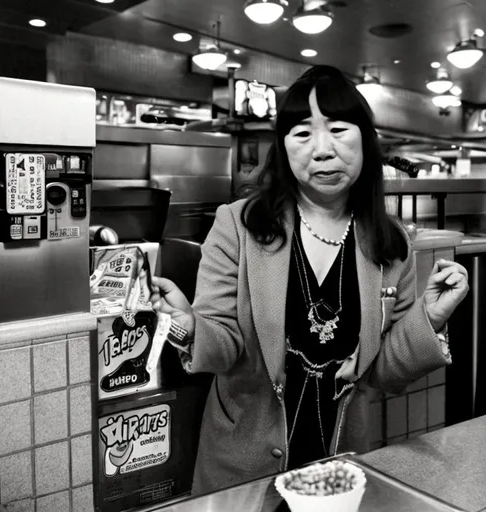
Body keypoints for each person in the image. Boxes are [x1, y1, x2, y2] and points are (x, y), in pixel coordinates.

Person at [151, 65, 469, 496]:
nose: (322, 150)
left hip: (339, 468)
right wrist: (188, 325)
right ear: (283, 148)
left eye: (338, 129)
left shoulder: (390, 245)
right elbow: (224, 343)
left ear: (365, 140)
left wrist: (428, 319)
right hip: (241, 471)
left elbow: (382, 373)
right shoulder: (238, 226)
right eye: (302, 134)